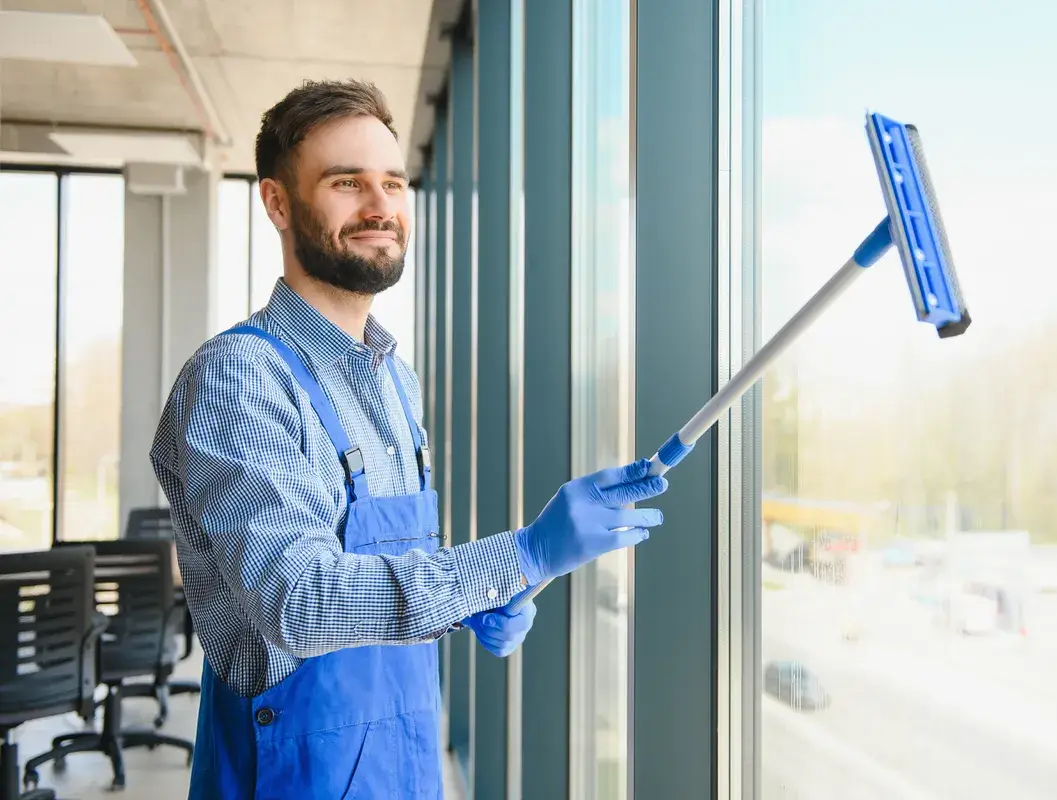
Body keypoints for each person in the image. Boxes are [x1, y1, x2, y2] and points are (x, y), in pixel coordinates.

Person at [149, 79, 668, 800]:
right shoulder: (239, 378)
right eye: (346, 183)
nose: (379, 206)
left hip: (405, 774)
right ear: (276, 201)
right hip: (290, 780)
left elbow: (384, 584)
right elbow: (296, 600)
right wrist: (517, 553)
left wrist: (484, 595)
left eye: (393, 183)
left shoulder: (399, 384)